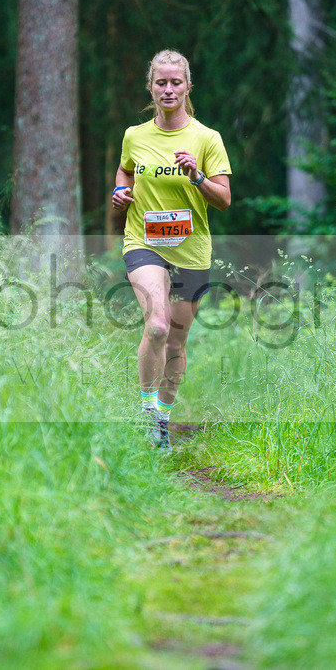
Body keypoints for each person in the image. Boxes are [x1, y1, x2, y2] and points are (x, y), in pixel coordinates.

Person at [111, 49, 232, 451]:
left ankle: (163, 417)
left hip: (191, 250)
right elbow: (126, 168)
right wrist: (119, 191)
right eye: (160, 82)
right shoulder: (135, 135)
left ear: (187, 87)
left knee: (176, 342)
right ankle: (147, 415)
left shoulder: (206, 138)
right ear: (150, 87)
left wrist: (196, 175)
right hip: (144, 243)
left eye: (175, 82)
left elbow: (224, 200)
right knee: (158, 325)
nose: (167, 89)